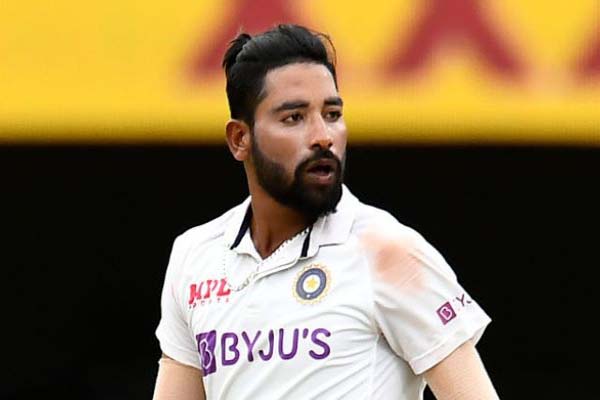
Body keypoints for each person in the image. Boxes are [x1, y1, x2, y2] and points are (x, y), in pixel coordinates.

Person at [152, 24, 499, 400]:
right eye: (294, 117)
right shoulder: (195, 255)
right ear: (240, 139)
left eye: (332, 114)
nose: (323, 136)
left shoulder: (389, 250)